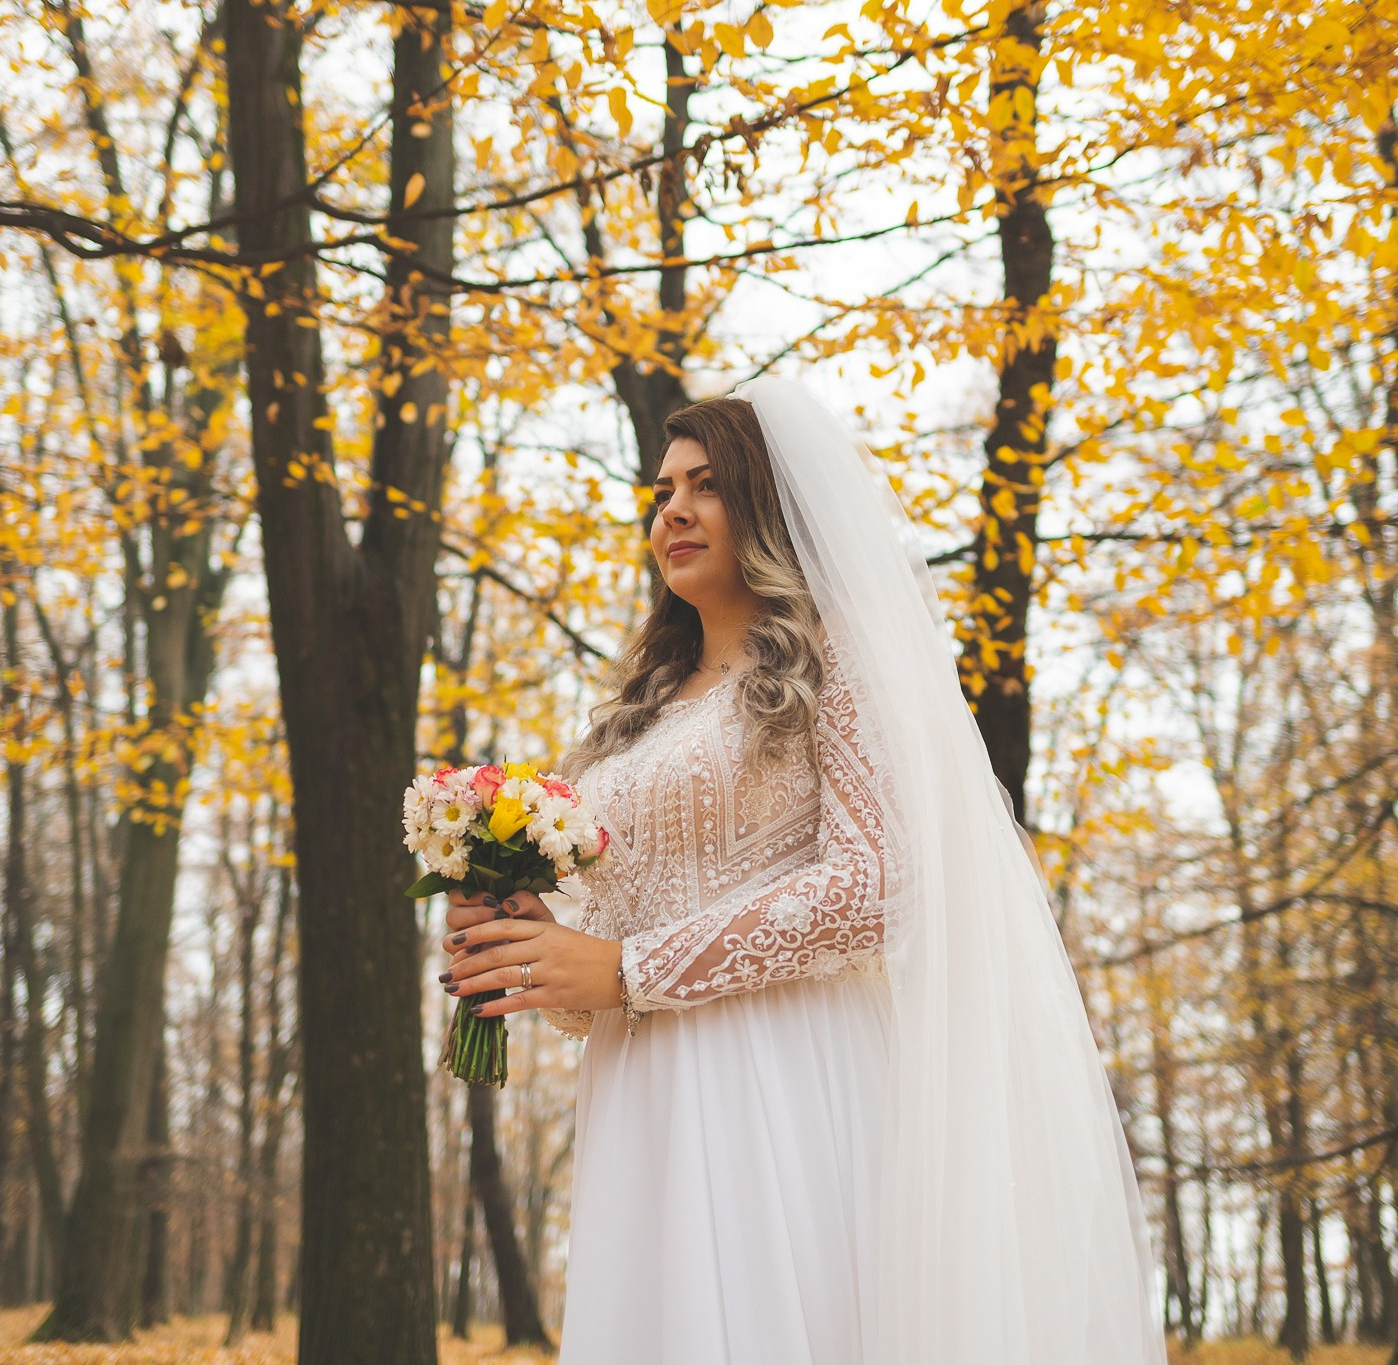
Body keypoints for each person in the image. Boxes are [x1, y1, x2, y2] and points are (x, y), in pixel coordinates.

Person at [439, 378, 1166, 1365]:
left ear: (770, 507)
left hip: (778, 1076)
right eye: (661, 493)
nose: (675, 511)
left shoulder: (842, 658)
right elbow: (605, 935)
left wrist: (627, 971)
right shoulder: (633, 714)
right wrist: (530, 940)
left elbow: (875, 889)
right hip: (640, 1092)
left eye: (706, 486)